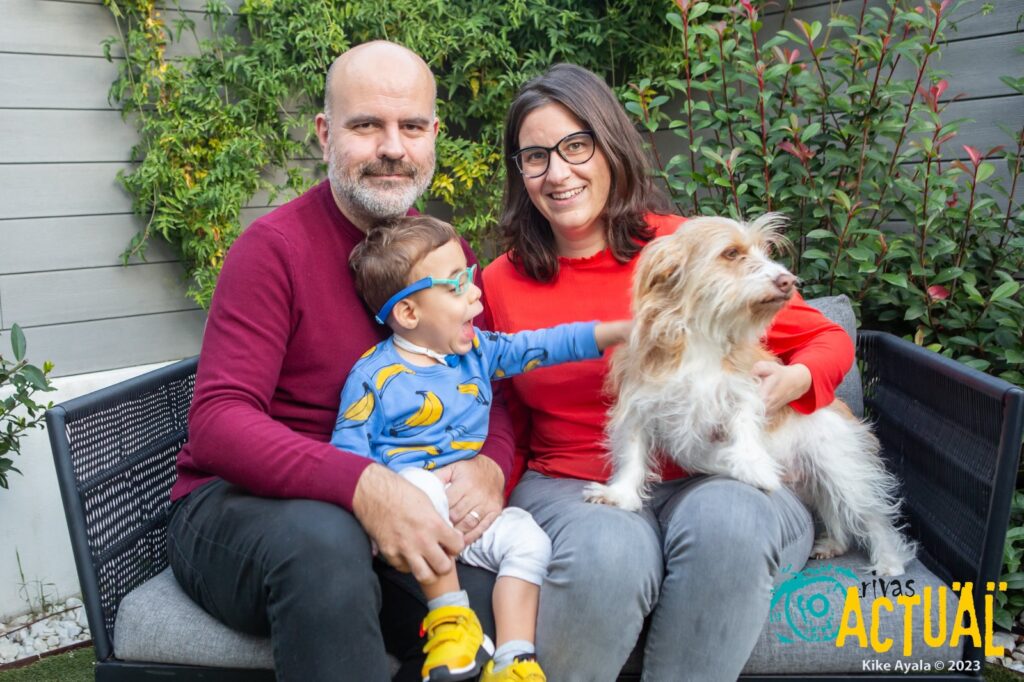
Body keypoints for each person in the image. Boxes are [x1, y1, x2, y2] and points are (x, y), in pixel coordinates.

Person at [483, 63, 857, 681]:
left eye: (577, 145)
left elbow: (824, 337)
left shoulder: (687, 247)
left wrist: (792, 383)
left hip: (716, 473)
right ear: (519, 172)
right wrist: (484, 473)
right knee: (609, 552)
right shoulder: (500, 281)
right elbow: (495, 402)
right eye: (534, 156)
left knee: (729, 526)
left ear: (610, 145)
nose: (558, 172)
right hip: (573, 482)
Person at [166, 41, 514, 682]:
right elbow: (217, 421)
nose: (392, 147)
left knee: (484, 610)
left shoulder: (443, 253)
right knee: (325, 549)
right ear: (326, 134)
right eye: (366, 125)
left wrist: (493, 463)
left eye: (411, 126)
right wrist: (362, 485)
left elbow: (488, 380)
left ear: (434, 135)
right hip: (242, 511)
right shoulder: (273, 250)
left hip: (386, 501)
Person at [334, 215, 630, 682]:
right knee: (414, 487)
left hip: (467, 517)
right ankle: (451, 621)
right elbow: (348, 457)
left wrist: (614, 333)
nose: (475, 294)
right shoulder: (374, 377)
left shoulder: (478, 352)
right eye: (455, 287)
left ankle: (515, 660)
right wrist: (371, 517)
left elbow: (543, 345)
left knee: (529, 539)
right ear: (409, 314)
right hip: (410, 522)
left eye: (470, 278)